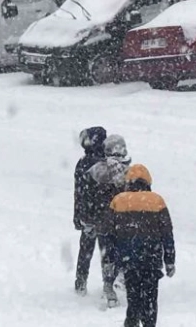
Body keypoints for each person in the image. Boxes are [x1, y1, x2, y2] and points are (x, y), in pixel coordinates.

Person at [103, 164, 176, 327]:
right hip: (151, 260)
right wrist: (169, 260)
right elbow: (167, 234)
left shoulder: (118, 201)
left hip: (129, 261)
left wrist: (109, 259)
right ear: (148, 182)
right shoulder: (157, 201)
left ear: (128, 182)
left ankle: (132, 322)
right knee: (150, 301)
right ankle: (149, 323)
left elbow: (109, 234)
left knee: (133, 300)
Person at [87, 134, 133, 305]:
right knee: (124, 252)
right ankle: (122, 280)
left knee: (107, 254)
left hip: (103, 220)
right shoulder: (129, 172)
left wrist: (89, 218)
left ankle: (108, 287)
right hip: (123, 221)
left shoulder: (96, 171)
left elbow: (89, 197)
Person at [74, 126, 118, 301]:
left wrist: (78, 215)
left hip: (88, 215)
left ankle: (81, 283)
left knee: (86, 250)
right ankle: (108, 284)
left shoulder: (84, 163)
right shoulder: (110, 163)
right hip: (106, 216)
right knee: (107, 253)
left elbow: (78, 192)